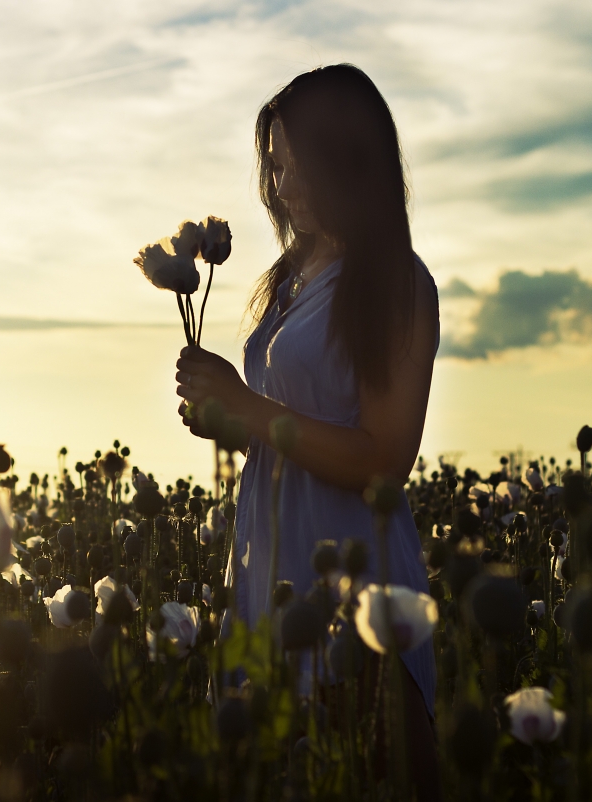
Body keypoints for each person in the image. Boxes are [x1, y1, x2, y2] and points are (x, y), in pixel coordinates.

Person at [174, 64, 441, 799]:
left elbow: (384, 460)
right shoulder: (288, 278)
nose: (278, 184)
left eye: (291, 163)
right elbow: (290, 420)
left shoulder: (394, 282)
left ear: (342, 162)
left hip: (352, 572)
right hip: (268, 564)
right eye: (273, 163)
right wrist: (226, 417)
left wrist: (248, 408)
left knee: (362, 766)